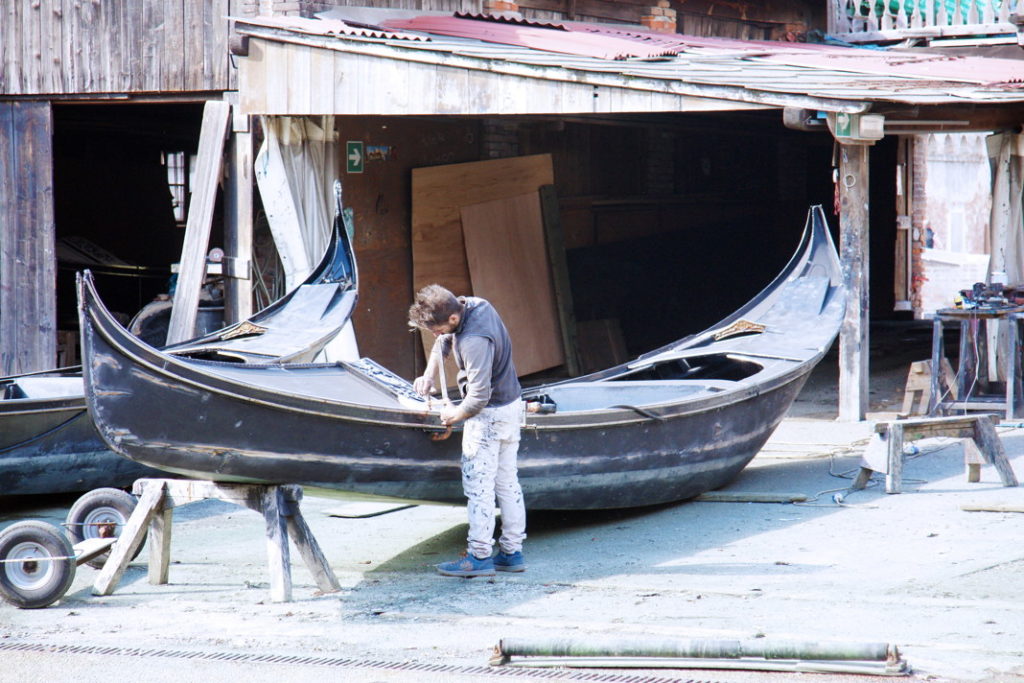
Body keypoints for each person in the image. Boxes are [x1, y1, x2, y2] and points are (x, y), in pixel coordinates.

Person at [408, 284, 527, 577]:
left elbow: (477, 399)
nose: (435, 335)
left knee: (479, 490)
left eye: (436, 329)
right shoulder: (475, 305)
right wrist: (429, 375)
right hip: (512, 407)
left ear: (451, 319)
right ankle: (512, 553)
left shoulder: (473, 340)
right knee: (507, 484)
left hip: (488, 417)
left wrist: (453, 416)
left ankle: (479, 557)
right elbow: (443, 342)